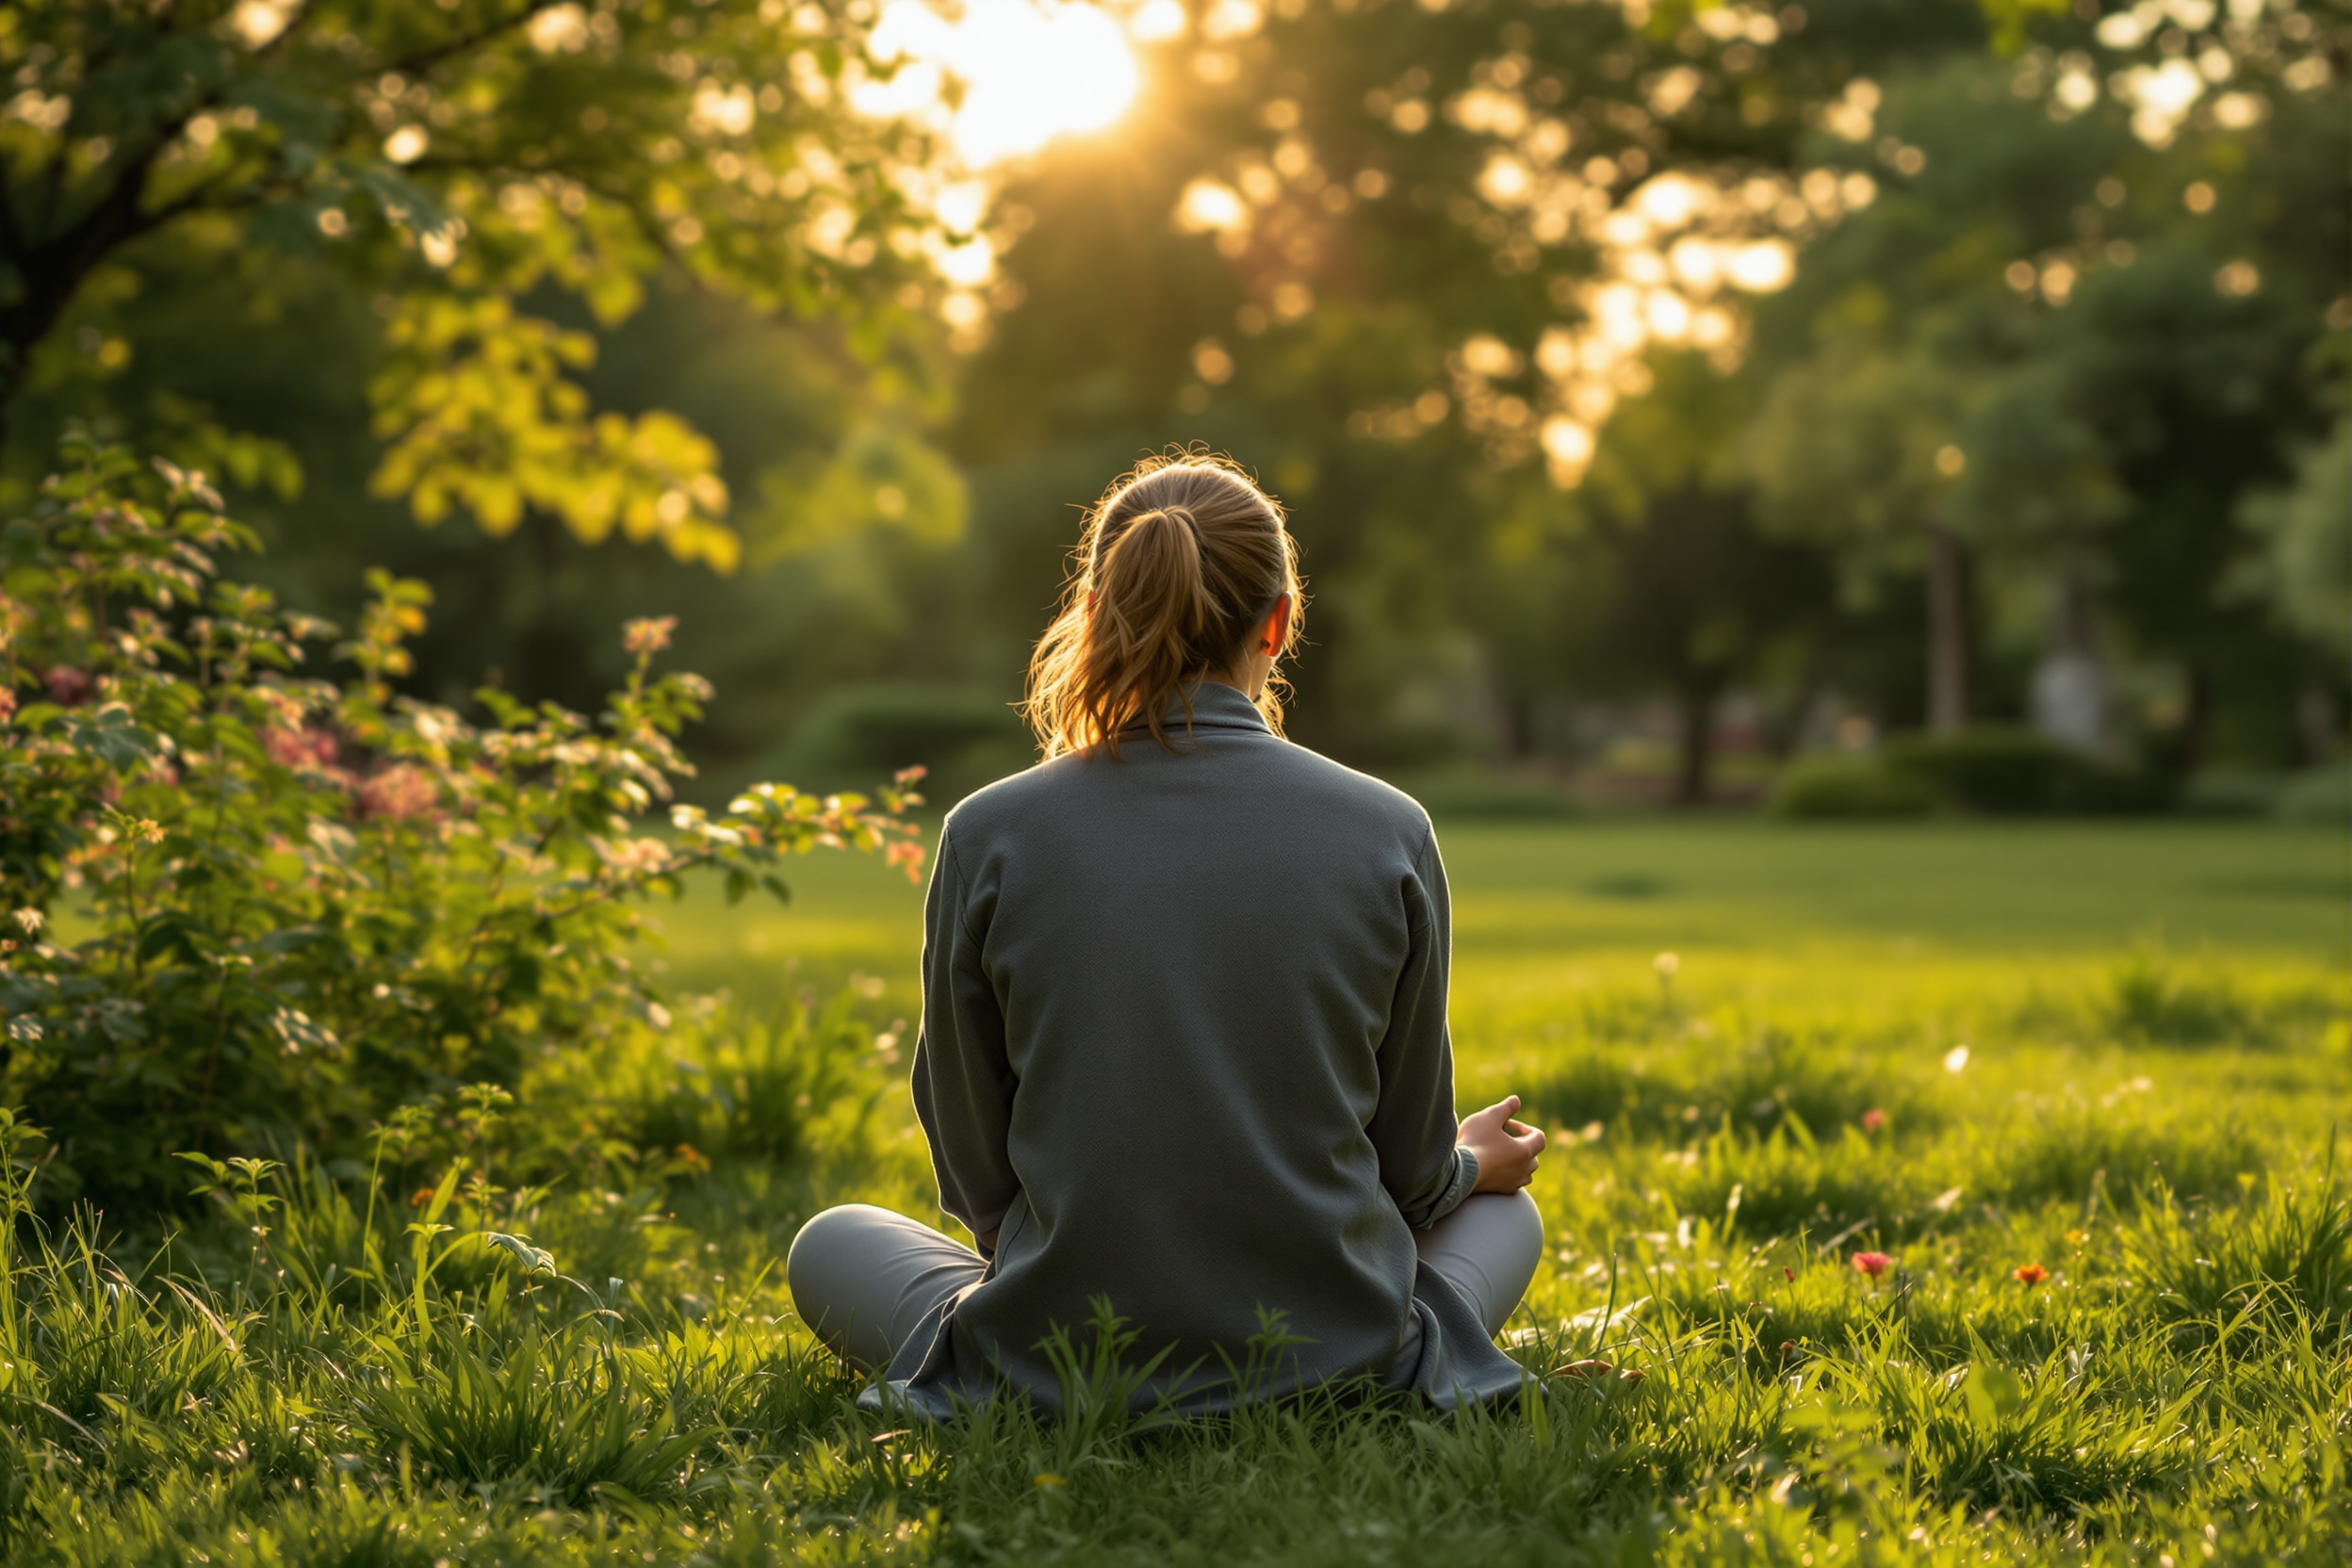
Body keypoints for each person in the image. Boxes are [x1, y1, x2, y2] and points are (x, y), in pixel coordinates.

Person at [788, 454, 1548, 1416]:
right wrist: (1474, 1162)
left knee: (832, 1239)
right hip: (1333, 1350)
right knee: (1505, 1216)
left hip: (1058, 1351)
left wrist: (1075, 1258)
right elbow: (1409, 1174)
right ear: (1277, 621)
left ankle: (1038, 1350)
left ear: (1097, 608)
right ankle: (1376, 1360)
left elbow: (972, 1157)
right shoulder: (1391, 827)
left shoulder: (987, 831)